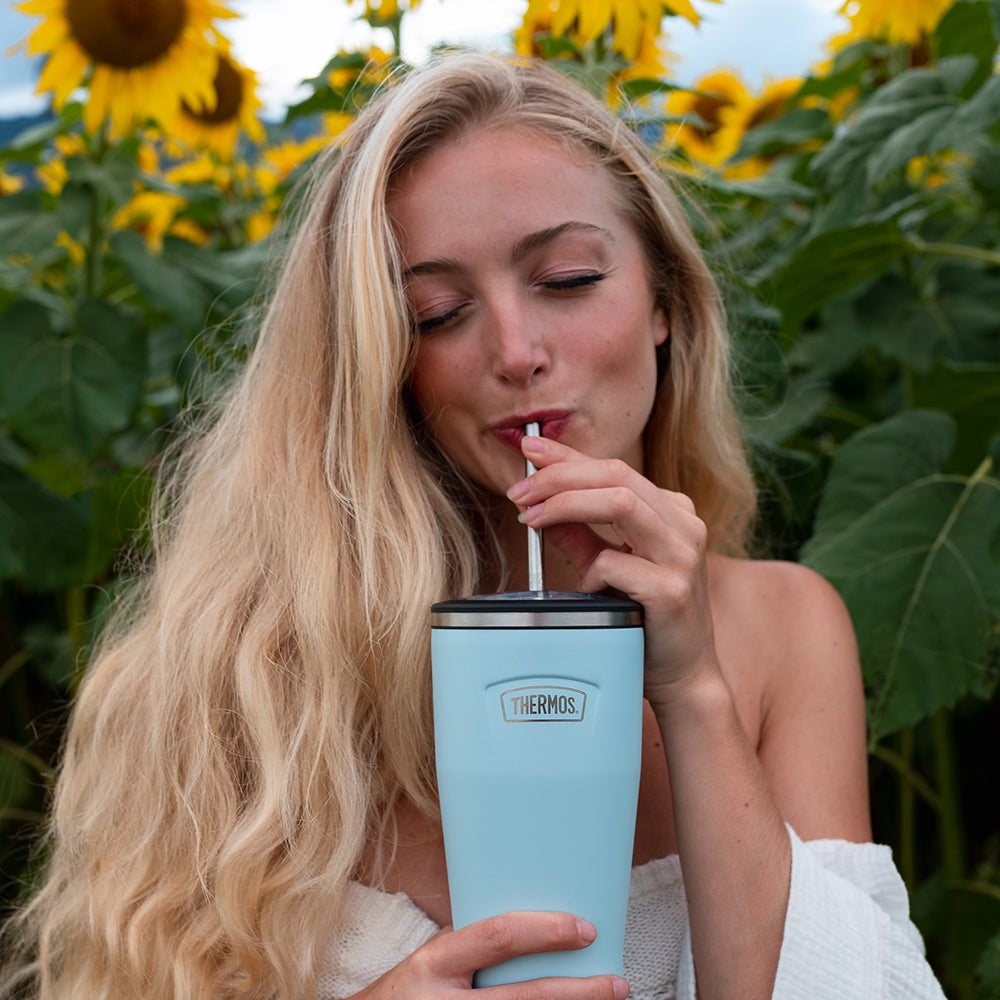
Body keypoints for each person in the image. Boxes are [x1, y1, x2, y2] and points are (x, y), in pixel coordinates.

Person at [1, 51, 946, 1000]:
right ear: (380, 356)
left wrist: (694, 688)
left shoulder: (784, 632)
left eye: (568, 278)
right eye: (439, 312)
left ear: (664, 300)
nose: (515, 352)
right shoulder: (249, 663)